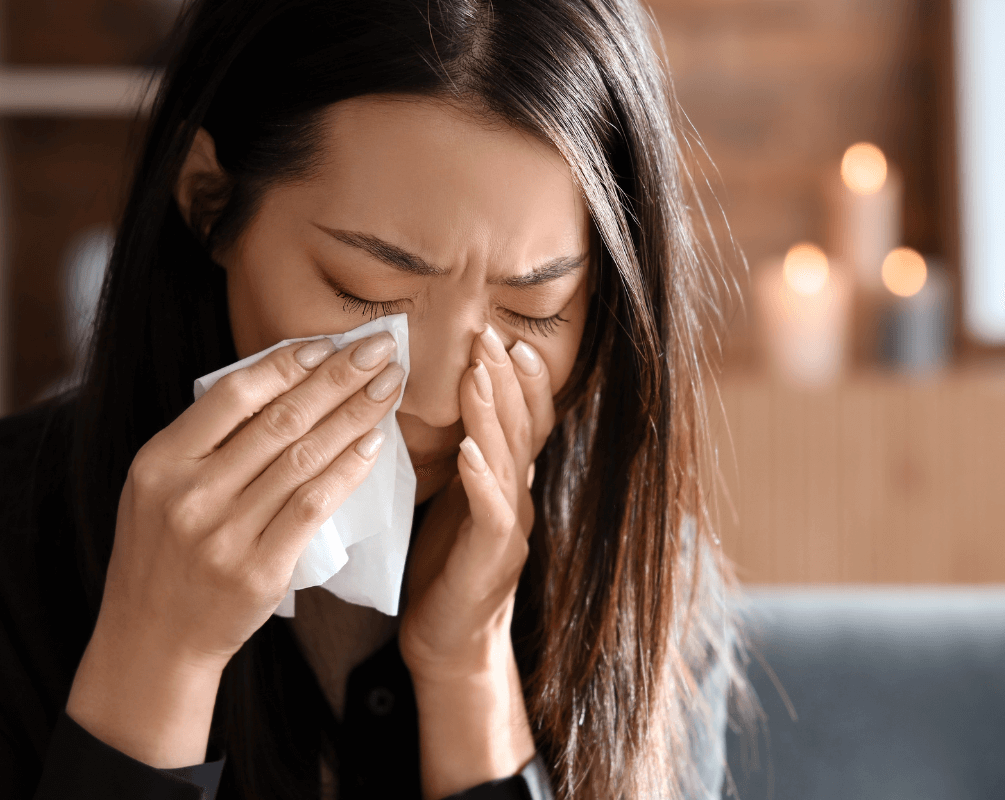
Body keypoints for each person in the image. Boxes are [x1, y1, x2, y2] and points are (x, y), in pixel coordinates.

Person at [0, 0, 742, 797]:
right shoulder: (14, 541)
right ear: (209, 200)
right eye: (368, 290)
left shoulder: (636, 576)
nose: (433, 400)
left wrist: (469, 668)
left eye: (532, 308)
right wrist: (158, 661)